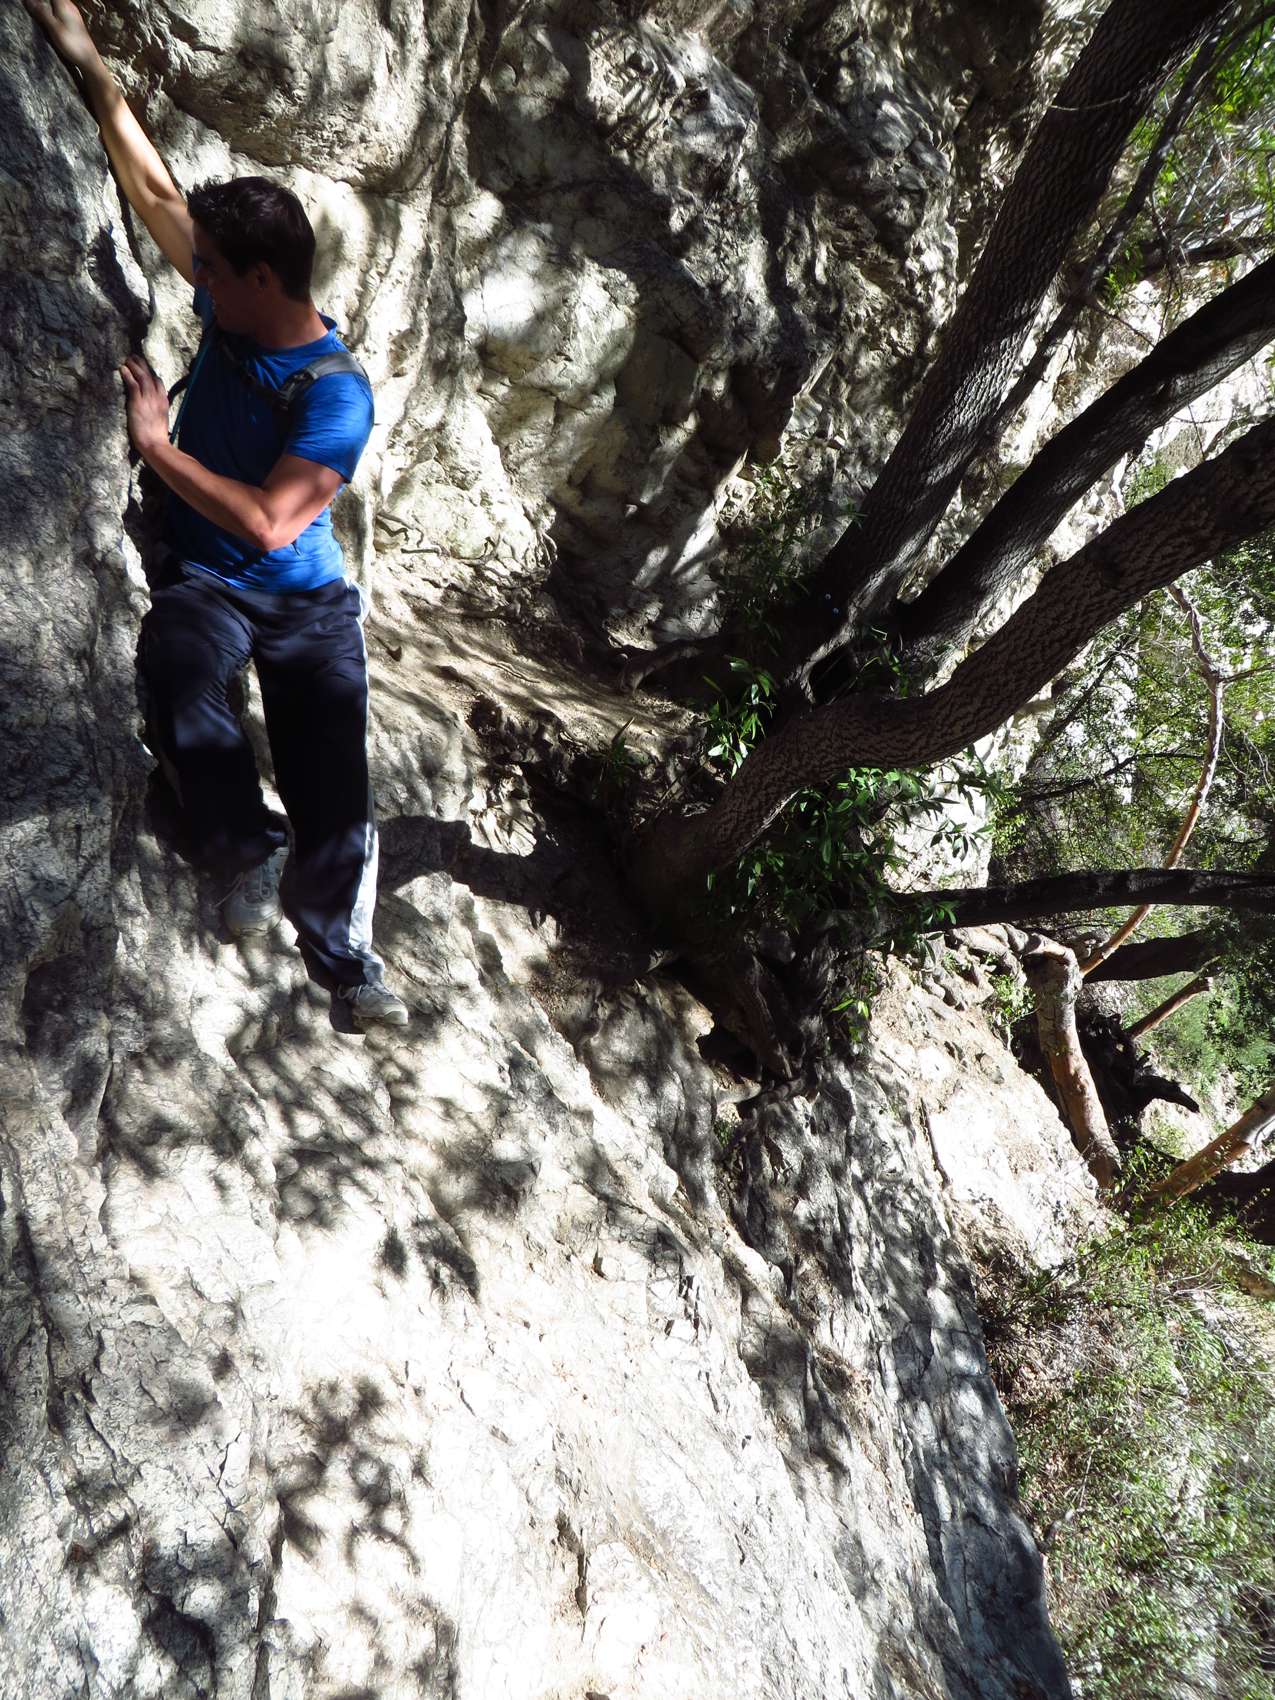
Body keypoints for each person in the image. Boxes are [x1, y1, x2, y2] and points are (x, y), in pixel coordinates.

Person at [22, 0, 408, 1027]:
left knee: (334, 785)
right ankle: (243, 844)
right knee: (180, 668)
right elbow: (151, 187)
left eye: (212, 272)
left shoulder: (335, 393)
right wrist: (85, 59)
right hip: (209, 584)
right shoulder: (231, 302)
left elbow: (274, 523)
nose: (196, 279)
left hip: (305, 602)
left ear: (262, 277)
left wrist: (158, 449)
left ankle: (345, 962)